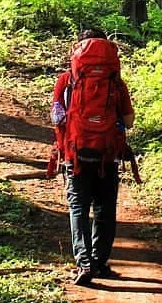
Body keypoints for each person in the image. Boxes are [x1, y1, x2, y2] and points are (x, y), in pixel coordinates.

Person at [50, 28, 135, 286]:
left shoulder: (66, 81)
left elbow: (57, 116)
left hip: (75, 156)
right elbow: (129, 121)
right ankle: (99, 263)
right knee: (104, 211)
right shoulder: (116, 83)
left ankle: (84, 264)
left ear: (76, 50)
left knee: (78, 209)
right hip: (107, 156)